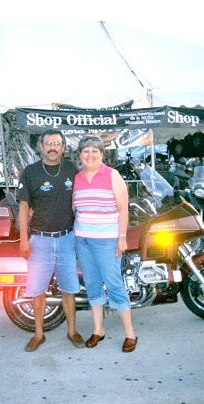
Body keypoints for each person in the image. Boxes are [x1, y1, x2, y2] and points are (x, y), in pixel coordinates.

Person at [16, 130, 83, 352]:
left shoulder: (71, 170)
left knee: (69, 290)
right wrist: (24, 240)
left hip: (66, 239)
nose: (52, 147)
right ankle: (39, 334)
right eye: (48, 143)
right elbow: (24, 208)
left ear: (63, 147)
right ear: (41, 146)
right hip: (40, 242)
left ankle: (72, 331)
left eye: (57, 143)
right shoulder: (30, 172)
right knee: (37, 291)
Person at [73, 135, 138, 353]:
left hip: (108, 241)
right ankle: (98, 329)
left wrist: (121, 237)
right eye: (85, 151)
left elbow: (123, 209)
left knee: (114, 284)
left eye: (94, 151)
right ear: (80, 154)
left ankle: (130, 333)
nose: (89, 155)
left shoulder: (113, 175)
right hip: (83, 240)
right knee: (91, 284)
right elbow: (75, 208)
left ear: (102, 153)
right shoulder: (77, 178)